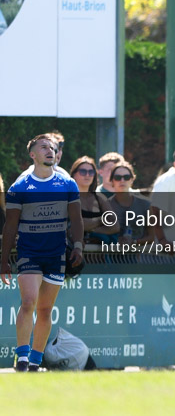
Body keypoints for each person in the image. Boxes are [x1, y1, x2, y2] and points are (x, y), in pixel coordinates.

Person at [1, 134, 84, 372]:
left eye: (53, 148)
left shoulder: (67, 183)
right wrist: (4, 259)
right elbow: (10, 226)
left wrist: (78, 245)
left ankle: (36, 360)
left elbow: (76, 219)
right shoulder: (20, 186)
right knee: (28, 302)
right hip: (30, 253)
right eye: (44, 147)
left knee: (45, 309)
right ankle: (22, 357)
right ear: (32, 154)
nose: (50, 151)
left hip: (56, 254)